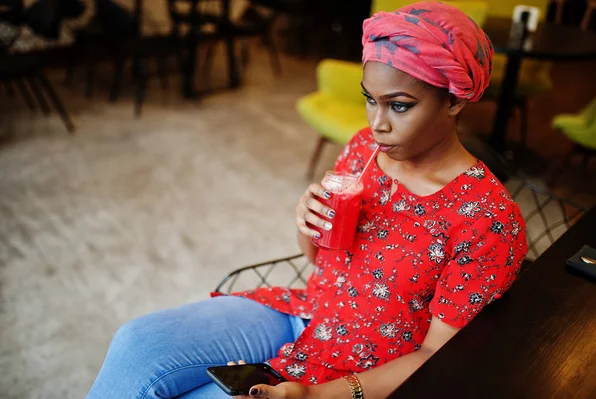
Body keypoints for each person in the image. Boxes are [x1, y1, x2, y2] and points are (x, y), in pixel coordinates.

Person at [86, 2, 527, 398]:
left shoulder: (487, 219)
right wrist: (306, 222)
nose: (376, 124)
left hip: (365, 367)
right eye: (370, 100)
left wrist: (316, 395)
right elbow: (320, 259)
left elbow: (436, 355)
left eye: (399, 106)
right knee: (138, 343)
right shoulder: (362, 150)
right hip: (306, 311)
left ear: (453, 100)